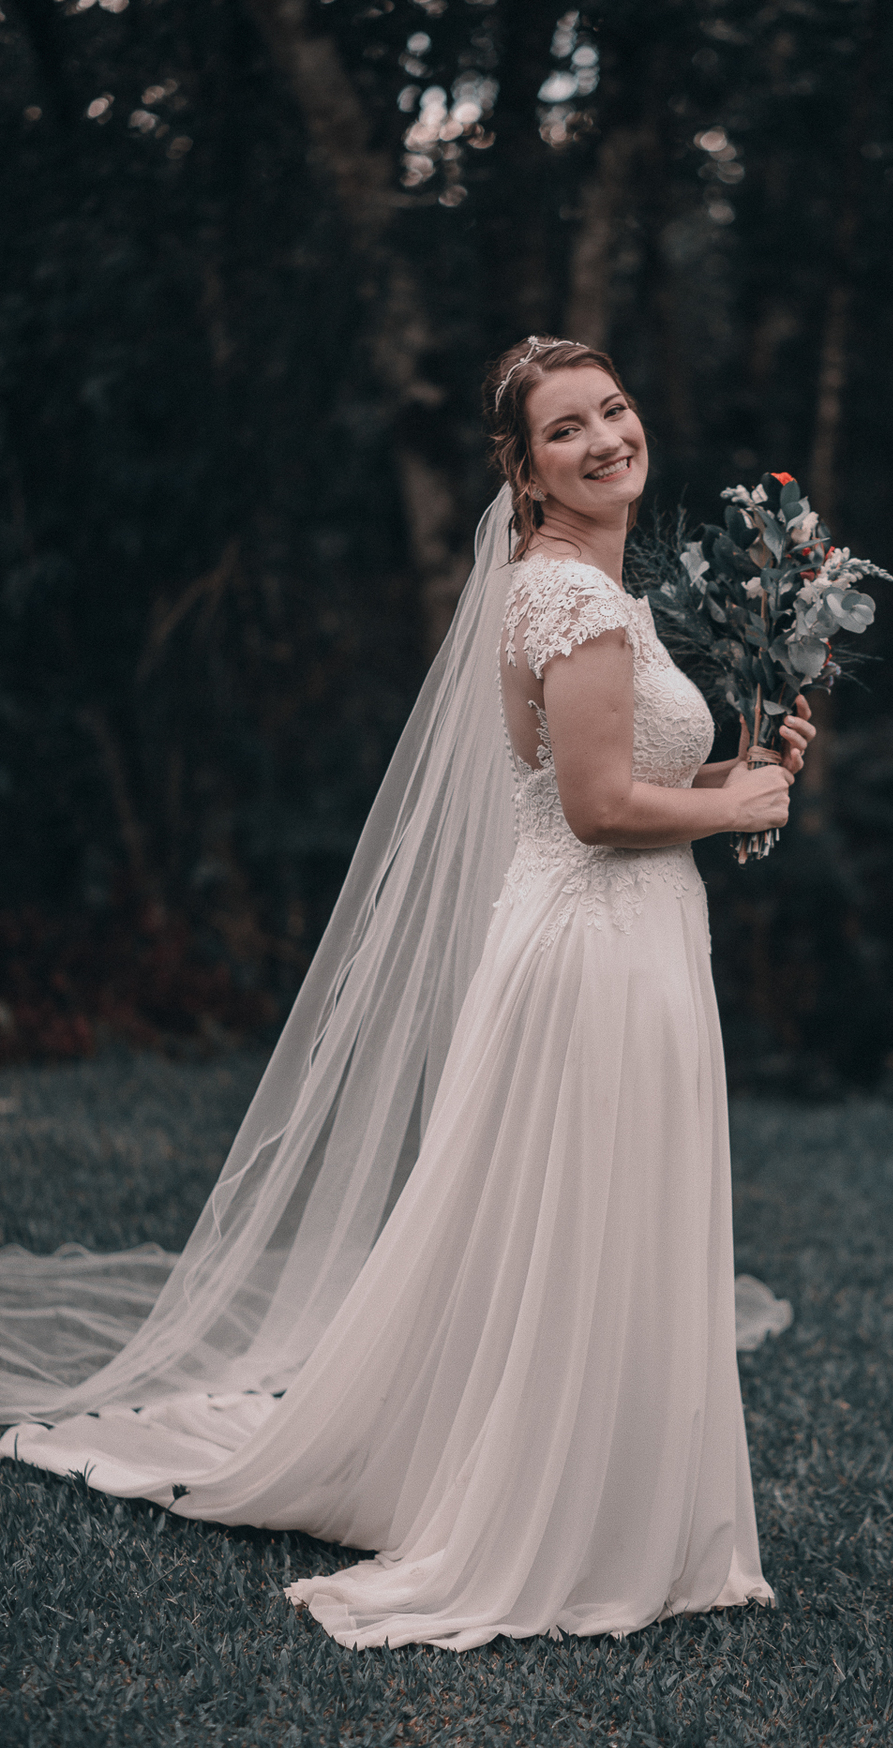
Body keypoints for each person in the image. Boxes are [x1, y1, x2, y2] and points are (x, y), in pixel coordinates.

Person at [0, 337, 814, 1652]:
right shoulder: (570, 598)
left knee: (585, 1219)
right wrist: (739, 810)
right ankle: (554, 1516)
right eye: (566, 430)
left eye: (613, 410)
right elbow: (600, 811)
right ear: (525, 471)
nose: (606, 439)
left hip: (617, 933)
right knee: (579, 1221)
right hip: (594, 948)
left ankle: (603, 1497)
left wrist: (748, 772)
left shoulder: (593, 593)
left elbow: (615, 782)